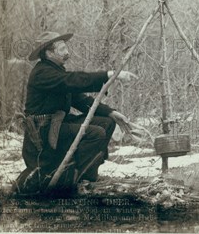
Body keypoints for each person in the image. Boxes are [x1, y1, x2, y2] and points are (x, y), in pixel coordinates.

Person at [19, 31, 137, 190]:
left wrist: (110, 112)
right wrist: (108, 75)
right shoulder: (43, 73)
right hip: (44, 132)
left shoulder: (56, 70)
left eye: (66, 47)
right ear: (48, 53)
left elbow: (79, 99)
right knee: (96, 133)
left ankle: (87, 177)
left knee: (106, 123)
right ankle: (72, 178)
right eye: (61, 49)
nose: (67, 52)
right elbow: (72, 81)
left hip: (58, 125)